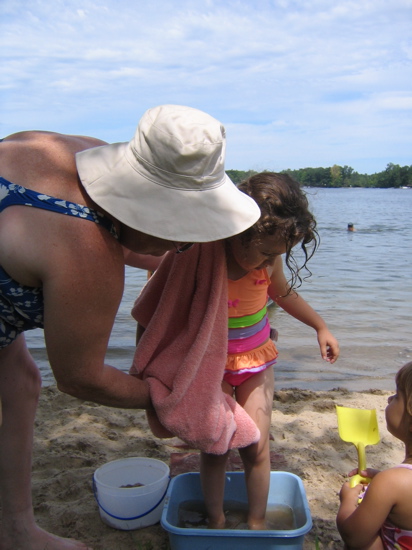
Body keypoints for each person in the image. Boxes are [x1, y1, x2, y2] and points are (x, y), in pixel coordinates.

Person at [0, 104, 261, 550]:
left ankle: (15, 531)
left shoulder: (78, 156)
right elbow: (81, 379)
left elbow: (132, 240)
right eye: (180, 232)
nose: (183, 246)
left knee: (21, 381)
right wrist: (184, 397)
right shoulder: (85, 251)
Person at [199, 172, 340, 530]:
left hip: (255, 360)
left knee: (256, 447)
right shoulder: (206, 253)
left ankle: (257, 522)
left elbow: (283, 293)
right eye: (264, 253)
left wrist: (320, 326)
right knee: (215, 447)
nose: (268, 263)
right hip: (210, 363)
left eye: (277, 256)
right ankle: (214, 519)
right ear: (238, 231)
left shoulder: (269, 258)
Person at [337, 361, 412, 550]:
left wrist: (347, 500)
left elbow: (353, 536)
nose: (389, 399)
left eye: (397, 396)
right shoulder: (395, 483)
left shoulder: (392, 482)